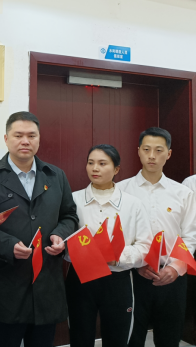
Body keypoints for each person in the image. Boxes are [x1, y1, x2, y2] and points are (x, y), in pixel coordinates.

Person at [0, 111, 78, 347]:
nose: (25, 141)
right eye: (18, 135)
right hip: (6, 286)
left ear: (39, 139)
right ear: (6, 139)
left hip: (47, 284)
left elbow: (69, 215)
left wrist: (60, 235)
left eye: (31, 136)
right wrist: (8, 246)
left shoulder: (56, 176)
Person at [116, 127, 196, 347]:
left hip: (172, 278)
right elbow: (117, 236)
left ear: (168, 154)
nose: (152, 156)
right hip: (132, 276)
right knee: (131, 338)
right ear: (138, 151)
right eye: (146, 149)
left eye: (159, 150)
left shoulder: (183, 193)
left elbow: (190, 236)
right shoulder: (121, 191)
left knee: (169, 338)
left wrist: (175, 268)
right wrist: (137, 263)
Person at [66, 144, 152, 347]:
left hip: (117, 280)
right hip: (80, 278)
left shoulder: (133, 204)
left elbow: (145, 246)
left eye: (102, 163)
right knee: (79, 337)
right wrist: (77, 253)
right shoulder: (72, 200)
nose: (95, 168)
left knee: (117, 338)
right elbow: (62, 240)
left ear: (116, 169)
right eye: (90, 163)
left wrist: (118, 257)